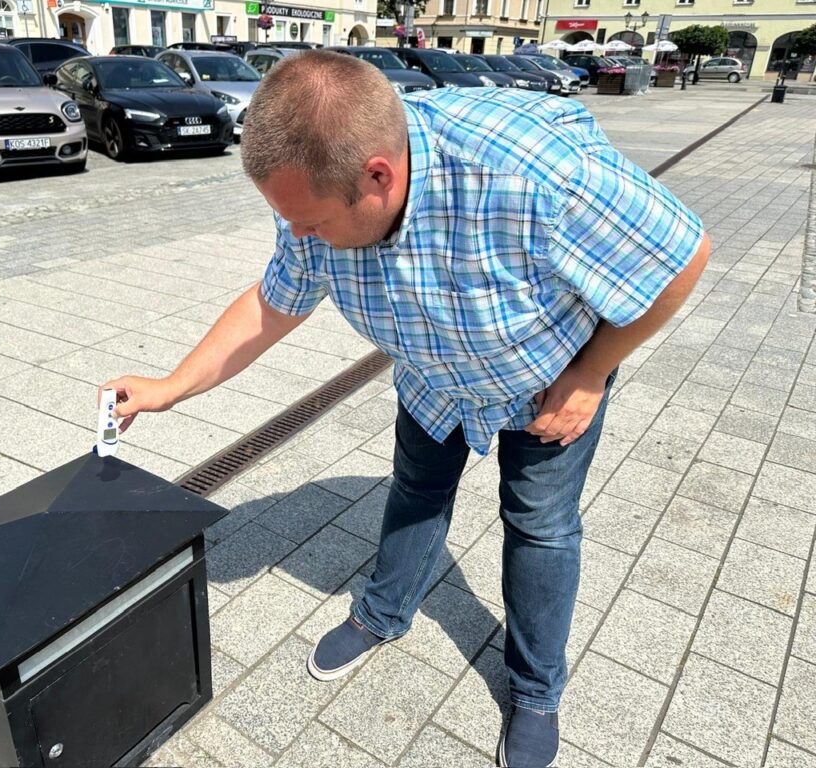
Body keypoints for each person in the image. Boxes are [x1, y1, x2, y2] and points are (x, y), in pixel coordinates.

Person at [100, 51, 709, 767]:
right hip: (430, 376)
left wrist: (591, 374)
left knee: (540, 528)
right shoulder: (316, 194)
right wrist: (171, 386)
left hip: (550, 381)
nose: (299, 239)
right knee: (416, 491)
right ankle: (384, 613)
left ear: (377, 177)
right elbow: (274, 302)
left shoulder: (530, 172)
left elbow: (681, 255)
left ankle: (537, 689)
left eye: (314, 223)